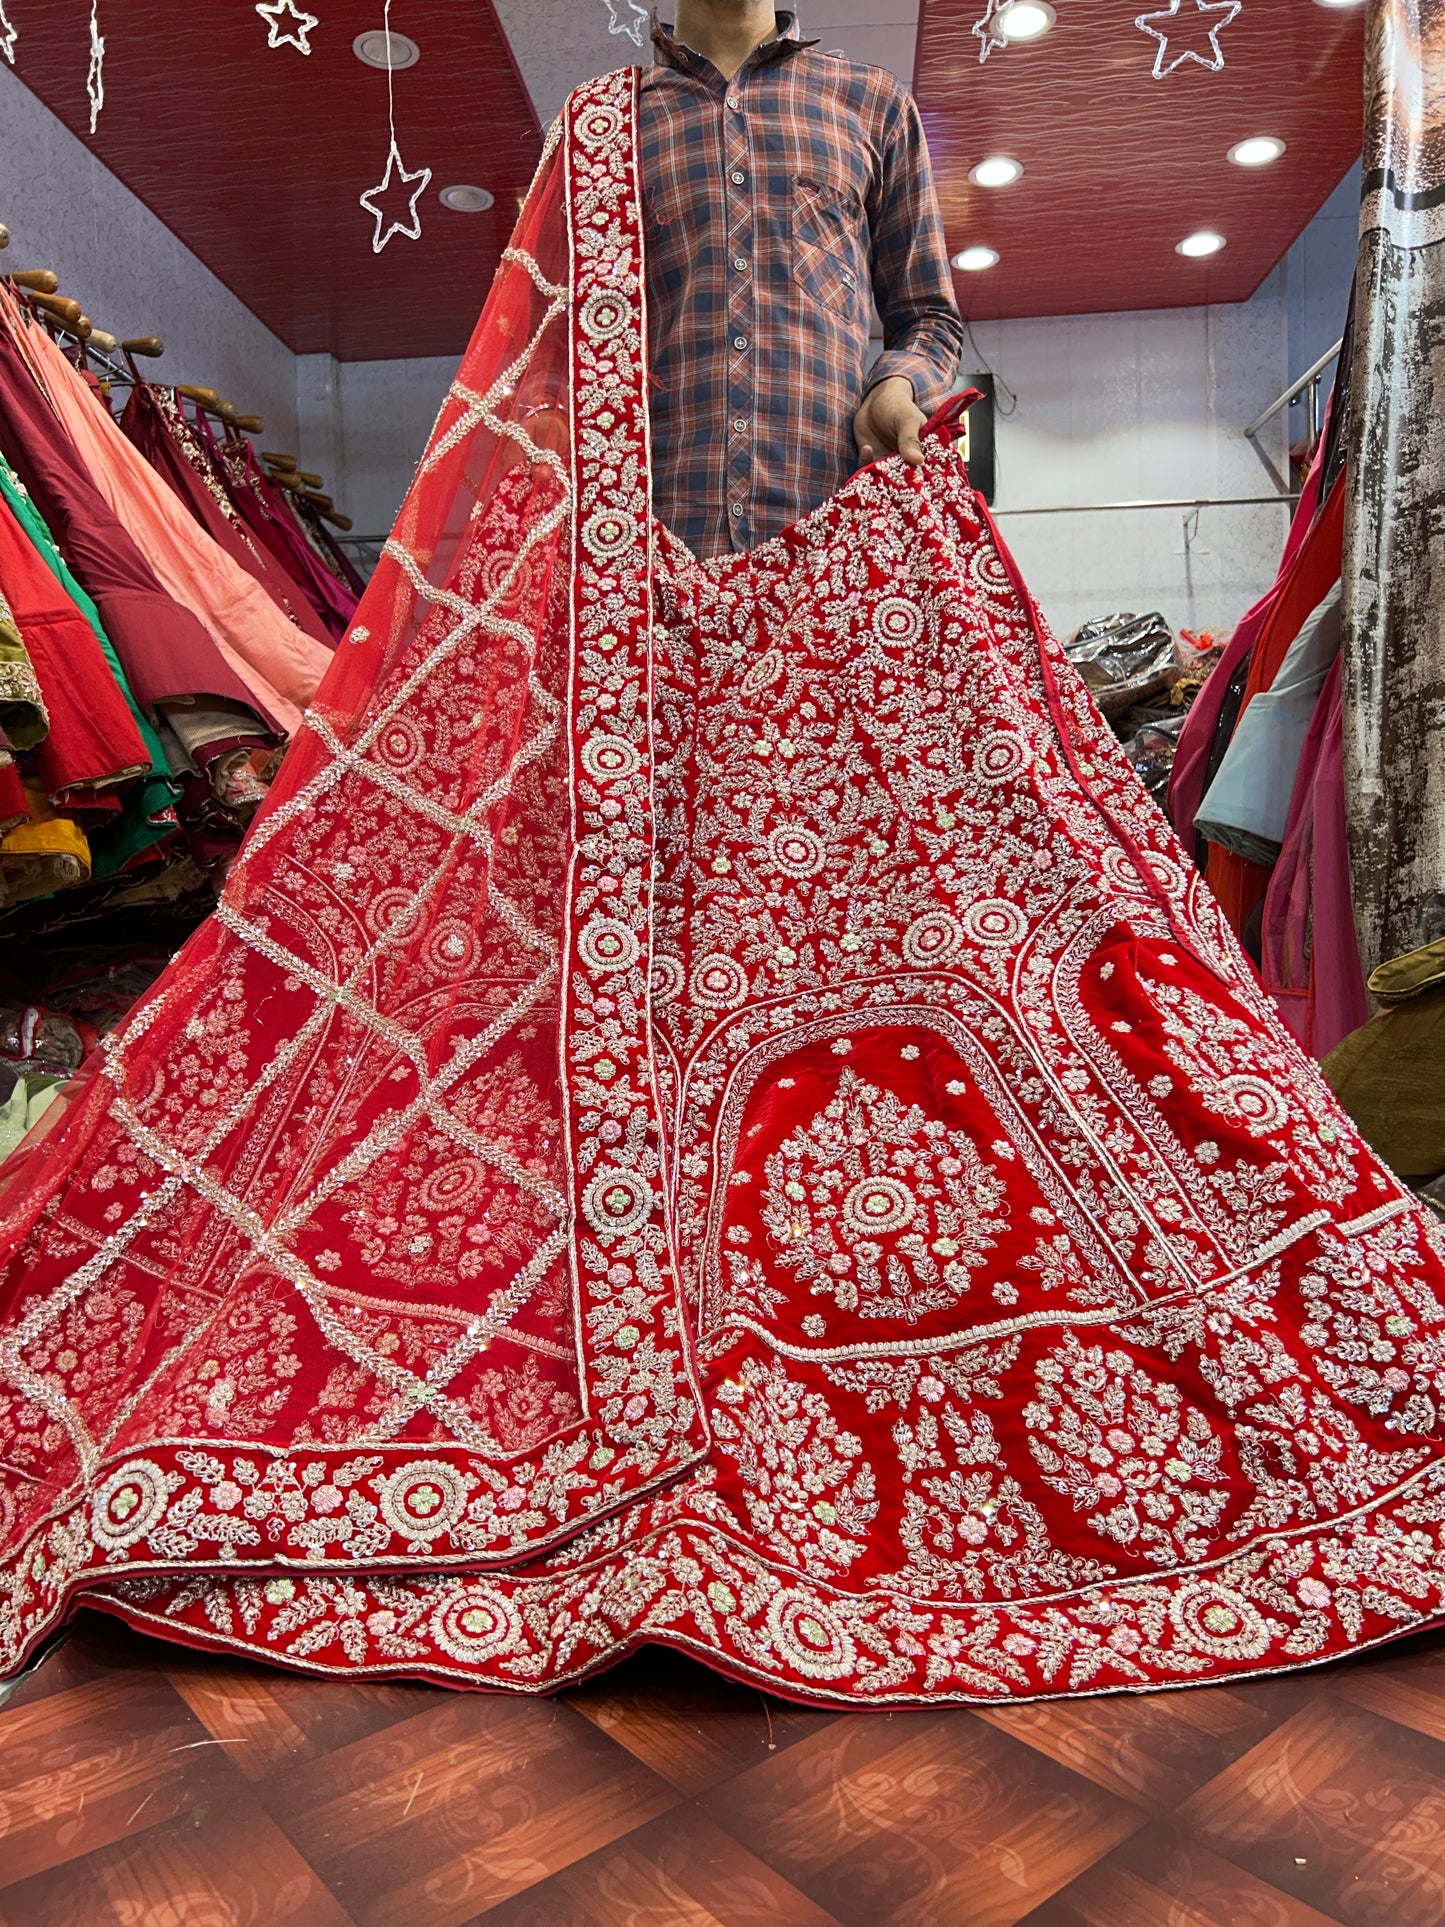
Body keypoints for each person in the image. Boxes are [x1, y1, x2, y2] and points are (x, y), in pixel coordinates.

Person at [3, 66, 1445, 1708]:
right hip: (633, 616)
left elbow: (933, 328)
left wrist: (899, 400)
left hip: (865, 576)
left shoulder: (870, 117)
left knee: (1028, 964)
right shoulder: (598, 128)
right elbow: (546, 368)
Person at [642, 2, 964, 554]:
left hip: (829, 552)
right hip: (648, 561)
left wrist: (895, 386)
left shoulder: (872, 104)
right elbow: (552, 345)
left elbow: (927, 317)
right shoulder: (602, 125)